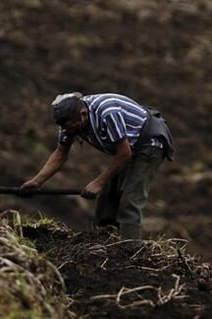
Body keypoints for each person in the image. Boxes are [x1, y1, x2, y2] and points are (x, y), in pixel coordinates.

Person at [21, 92, 175, 239]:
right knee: (107, 198)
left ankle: (131, 249)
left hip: (149, 143)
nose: (71, 131)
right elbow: (60, 154)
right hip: (129, 147)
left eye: (74, 128)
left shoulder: (107, 112)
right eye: (68, 128)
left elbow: (124, 154)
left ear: (83, 114)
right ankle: (105, 241)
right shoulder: (67, 122)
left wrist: (98, 182)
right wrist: (37, 181)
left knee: (130, 200)